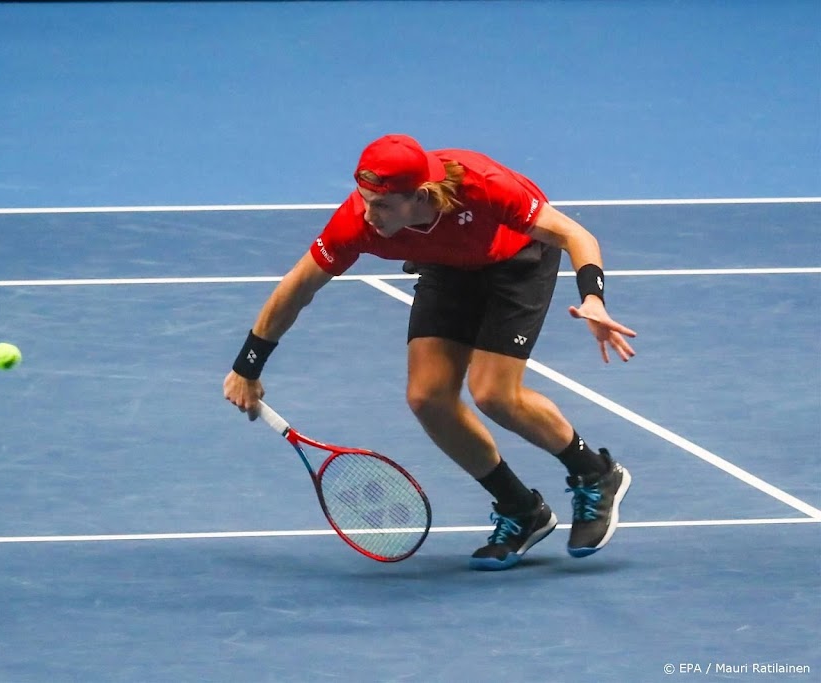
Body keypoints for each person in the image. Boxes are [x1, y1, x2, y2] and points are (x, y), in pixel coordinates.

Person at [223, 134, 636, 570]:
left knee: (494, 394)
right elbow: (299, 285)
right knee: (428, 399)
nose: (368, 213)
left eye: (381, 205)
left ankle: (595, 472)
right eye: (364, 199)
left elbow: (575, 234)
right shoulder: (357, 223)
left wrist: (593, 298)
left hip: (516, 260)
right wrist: (248, 366)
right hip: (449, 268)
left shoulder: (485, 187)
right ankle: (521, 509)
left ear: (419, 197)